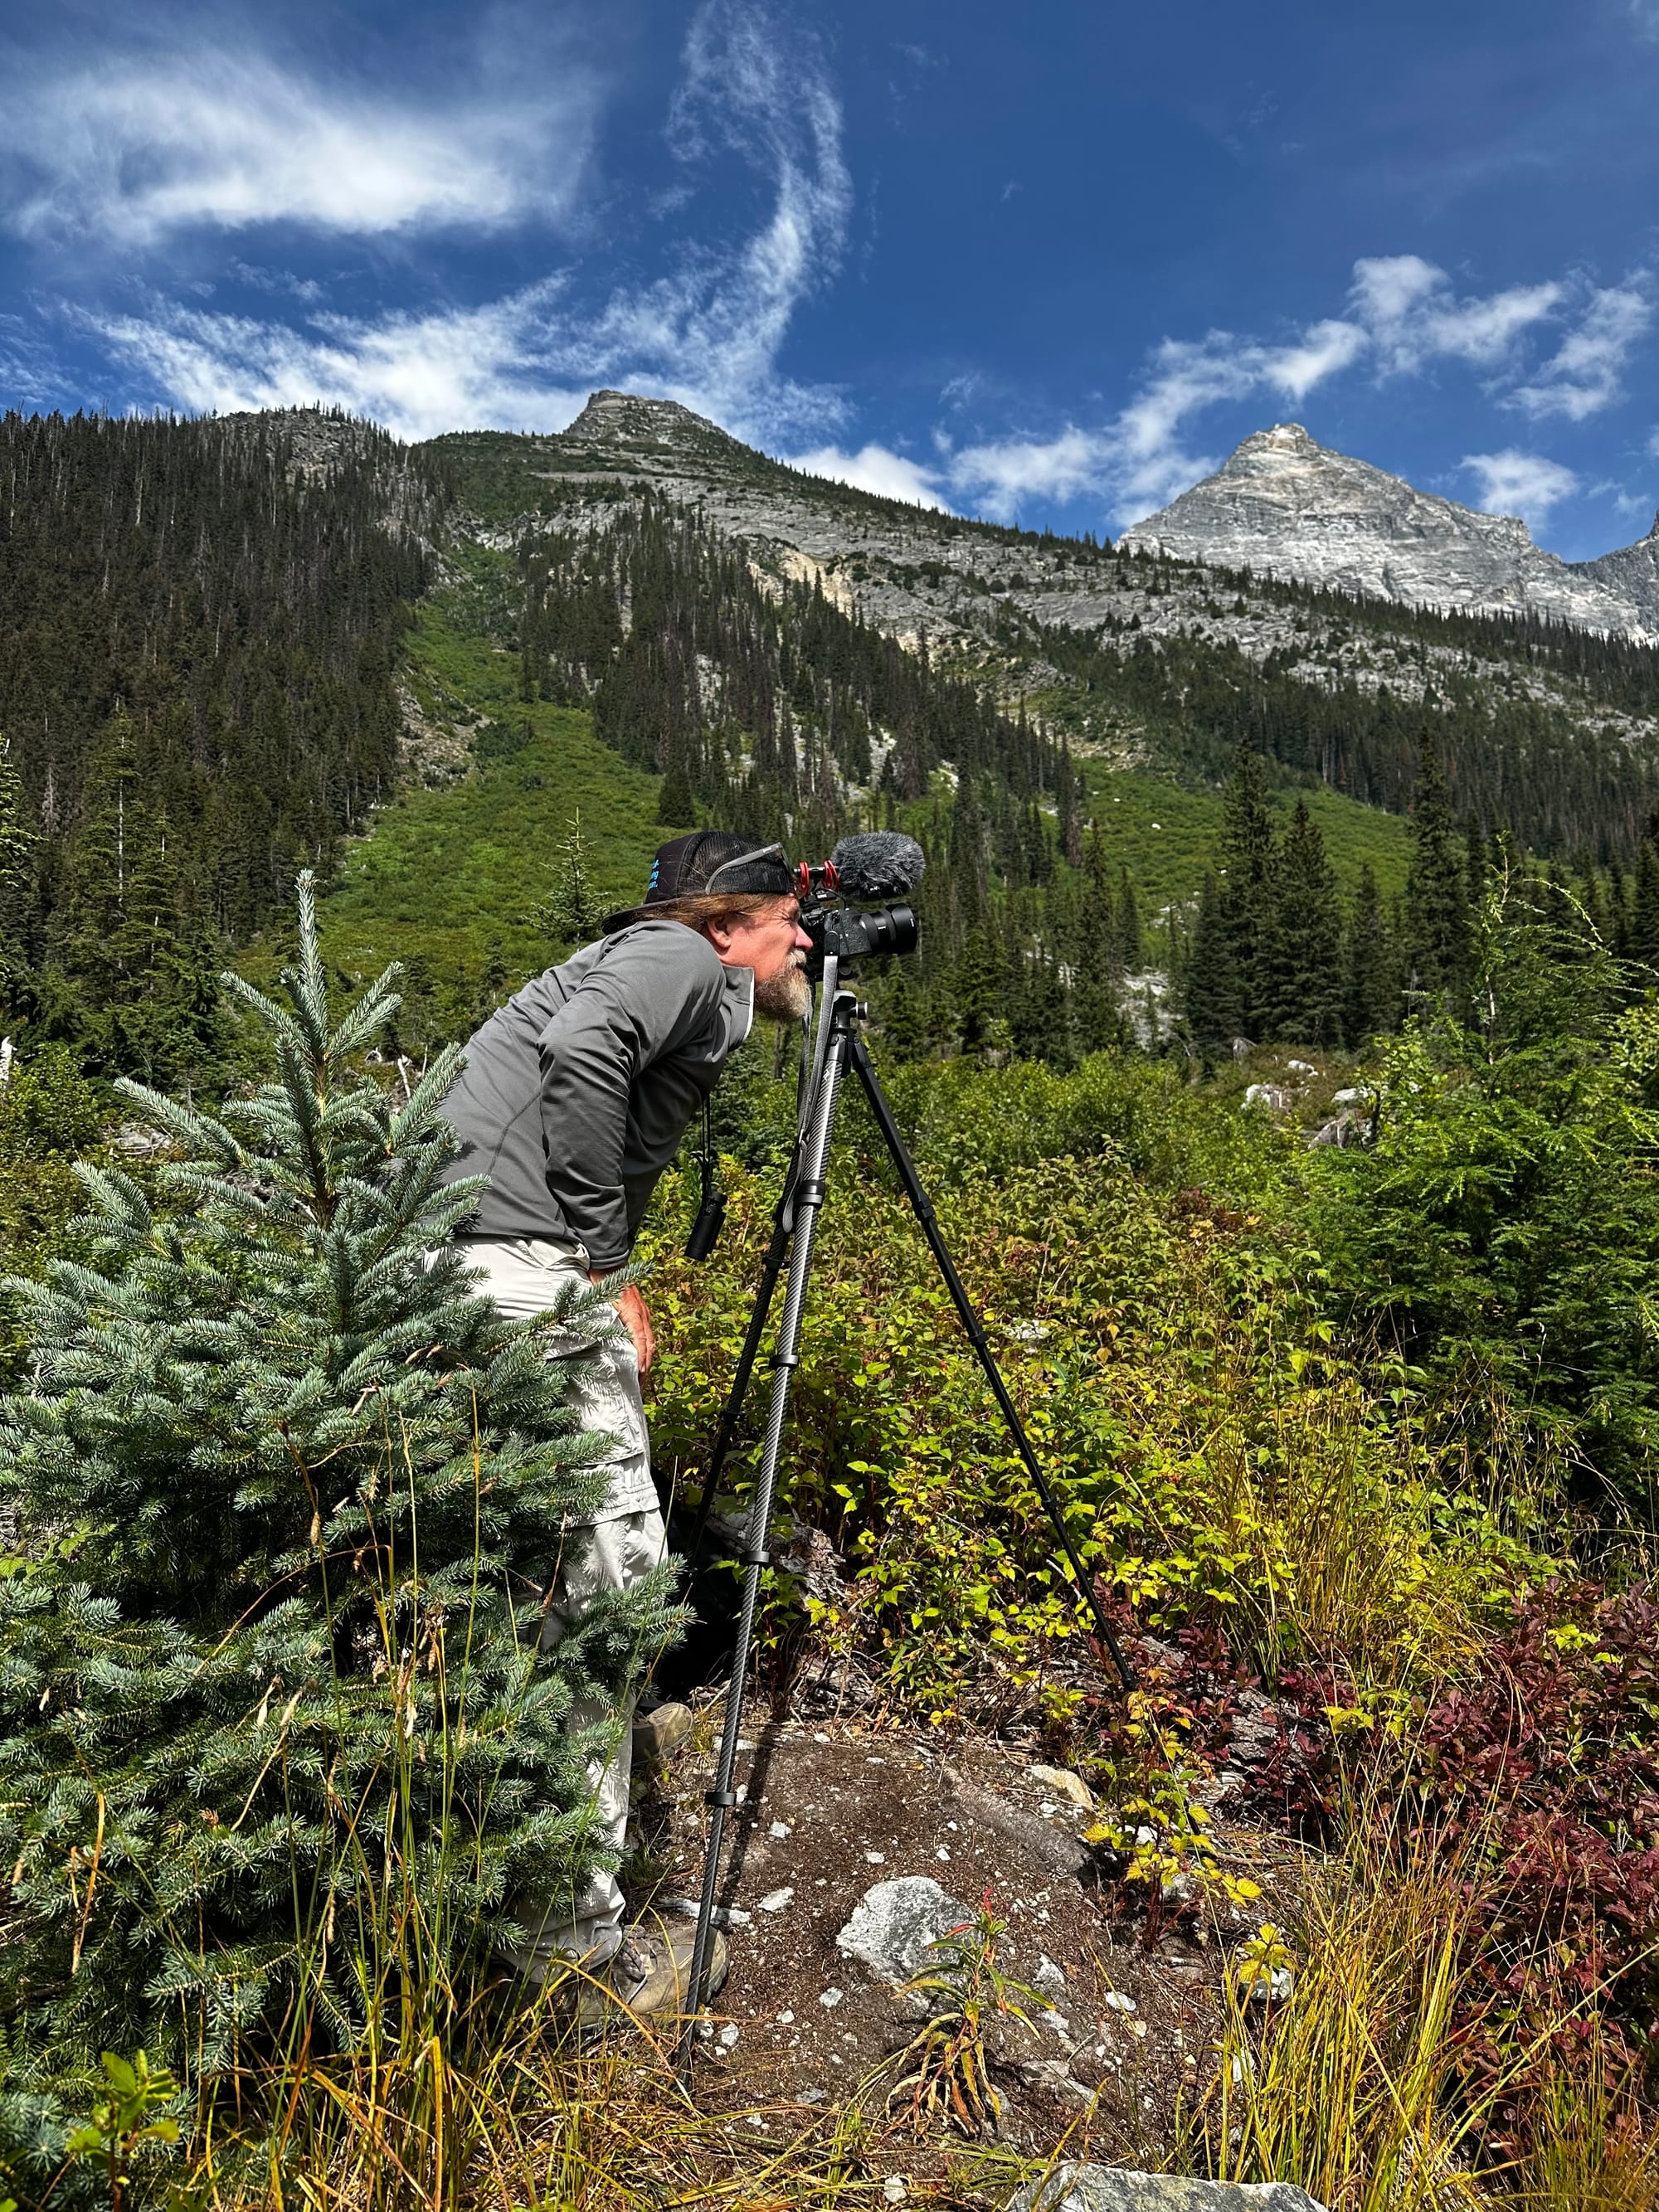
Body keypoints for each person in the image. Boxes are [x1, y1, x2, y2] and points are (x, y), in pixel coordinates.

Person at [439, 830, 813, 2022]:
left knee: (522, 1587)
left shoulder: (658, 964)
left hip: (465, 1267)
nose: (804, 940)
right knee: (607, 1594)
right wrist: (606, 1261)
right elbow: (584, 1049)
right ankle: (569, 1957)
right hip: (527, 1274)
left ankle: (497, 1896)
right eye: (786, 920)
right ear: (726, 925)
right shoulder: (677, 960)